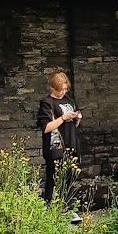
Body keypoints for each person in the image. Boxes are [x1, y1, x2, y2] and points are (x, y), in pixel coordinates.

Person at [35, 68, 83, 209]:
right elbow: (46, 127)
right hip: (55, 146)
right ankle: (51, 207)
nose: (62, 92)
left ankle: (66, 207)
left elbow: (75, 124)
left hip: (71, 142)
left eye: (65, 89)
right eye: (60, 90)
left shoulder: (69, 100)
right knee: (54, 178)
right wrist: (63, 117)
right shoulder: (47, 103)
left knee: (69, 177)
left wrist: (77, 118)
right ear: (52, 87)